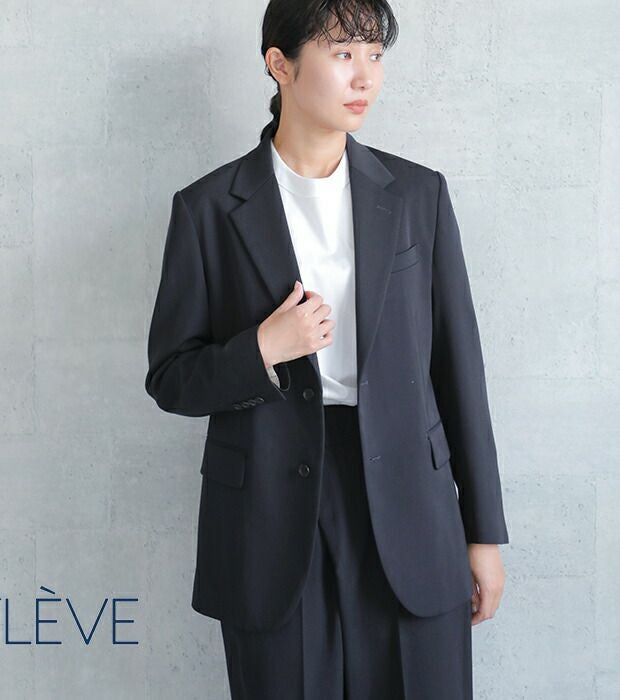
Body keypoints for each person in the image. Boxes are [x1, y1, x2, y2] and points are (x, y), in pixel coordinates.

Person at [145, 1, 509, 697]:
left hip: (410, 500)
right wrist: (262, 348)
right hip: (270, 511)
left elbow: (459, 371)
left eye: (374, 55)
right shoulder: (207, 208)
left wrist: (483, 534)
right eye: (342, 53)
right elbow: (171, 377)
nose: (364, 76)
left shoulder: (418, 195)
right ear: (279, 64)